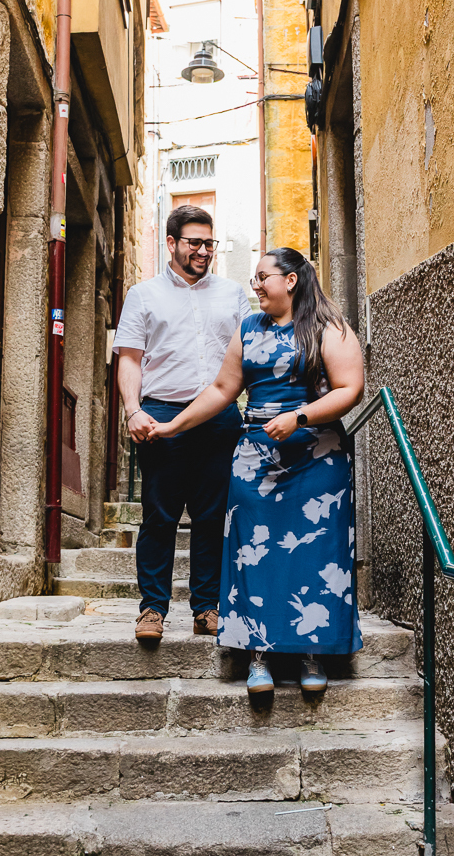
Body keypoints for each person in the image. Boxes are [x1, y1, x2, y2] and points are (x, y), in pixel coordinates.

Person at [144, 248, 365, 695]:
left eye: (263, 277)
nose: (256, 286)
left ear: (292, 280)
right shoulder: (248, 329)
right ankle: (257, 655)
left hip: (316, 456)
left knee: (314, 554)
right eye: (254, 279)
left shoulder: (330, 328)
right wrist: (172, 425)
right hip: (255, 457)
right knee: (252, 551)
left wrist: (299, 418)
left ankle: (311, 653)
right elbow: (224, 388)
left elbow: (351, 388)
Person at [113, 204, 251, 642]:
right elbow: (130, 359)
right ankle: (152, 609)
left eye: (209, 243)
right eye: (194, 242)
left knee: (212, 517)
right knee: (159, 516)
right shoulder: (143, 295)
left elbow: (251, 355)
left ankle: (206, 608)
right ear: (171, 243)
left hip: (220, 416)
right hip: (162, 414)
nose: (203, 251)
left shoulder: (233, 295)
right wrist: (133, 410)